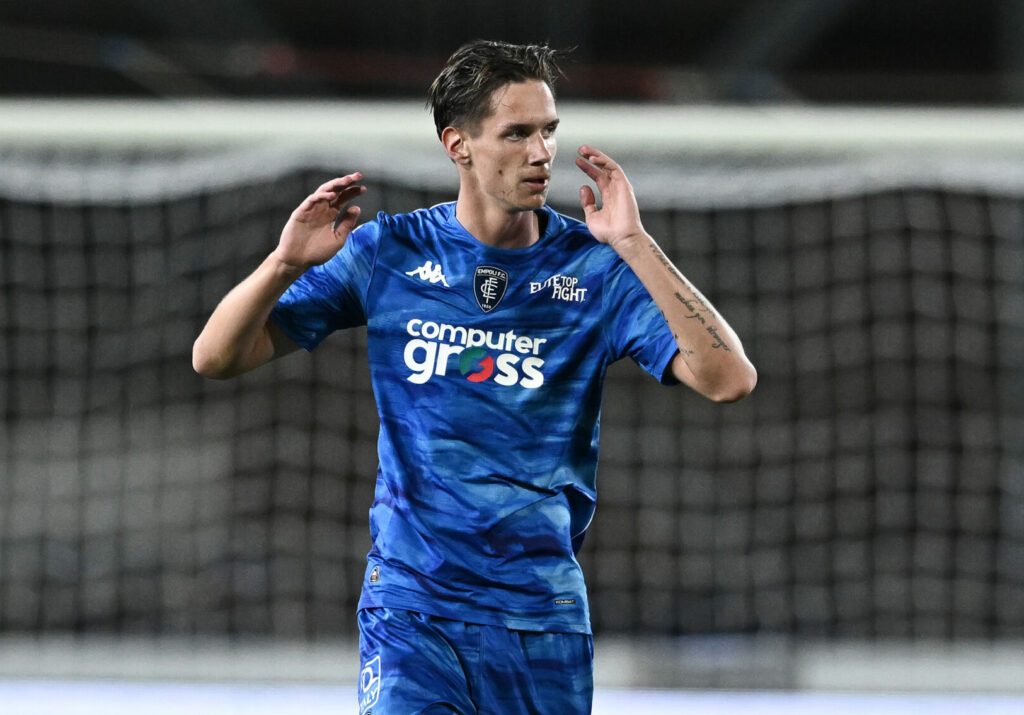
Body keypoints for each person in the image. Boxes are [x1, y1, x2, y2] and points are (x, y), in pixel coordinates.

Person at [193, 40, 755, 715]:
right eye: (517, 133)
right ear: (458, 145)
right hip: (412, 605)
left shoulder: (593, 269)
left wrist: (635, 244)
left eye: (548, 131)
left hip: (540, 616)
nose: (541, 152)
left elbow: (729, 379)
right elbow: (216, 356)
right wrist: (284, 264)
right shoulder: (391, 251)